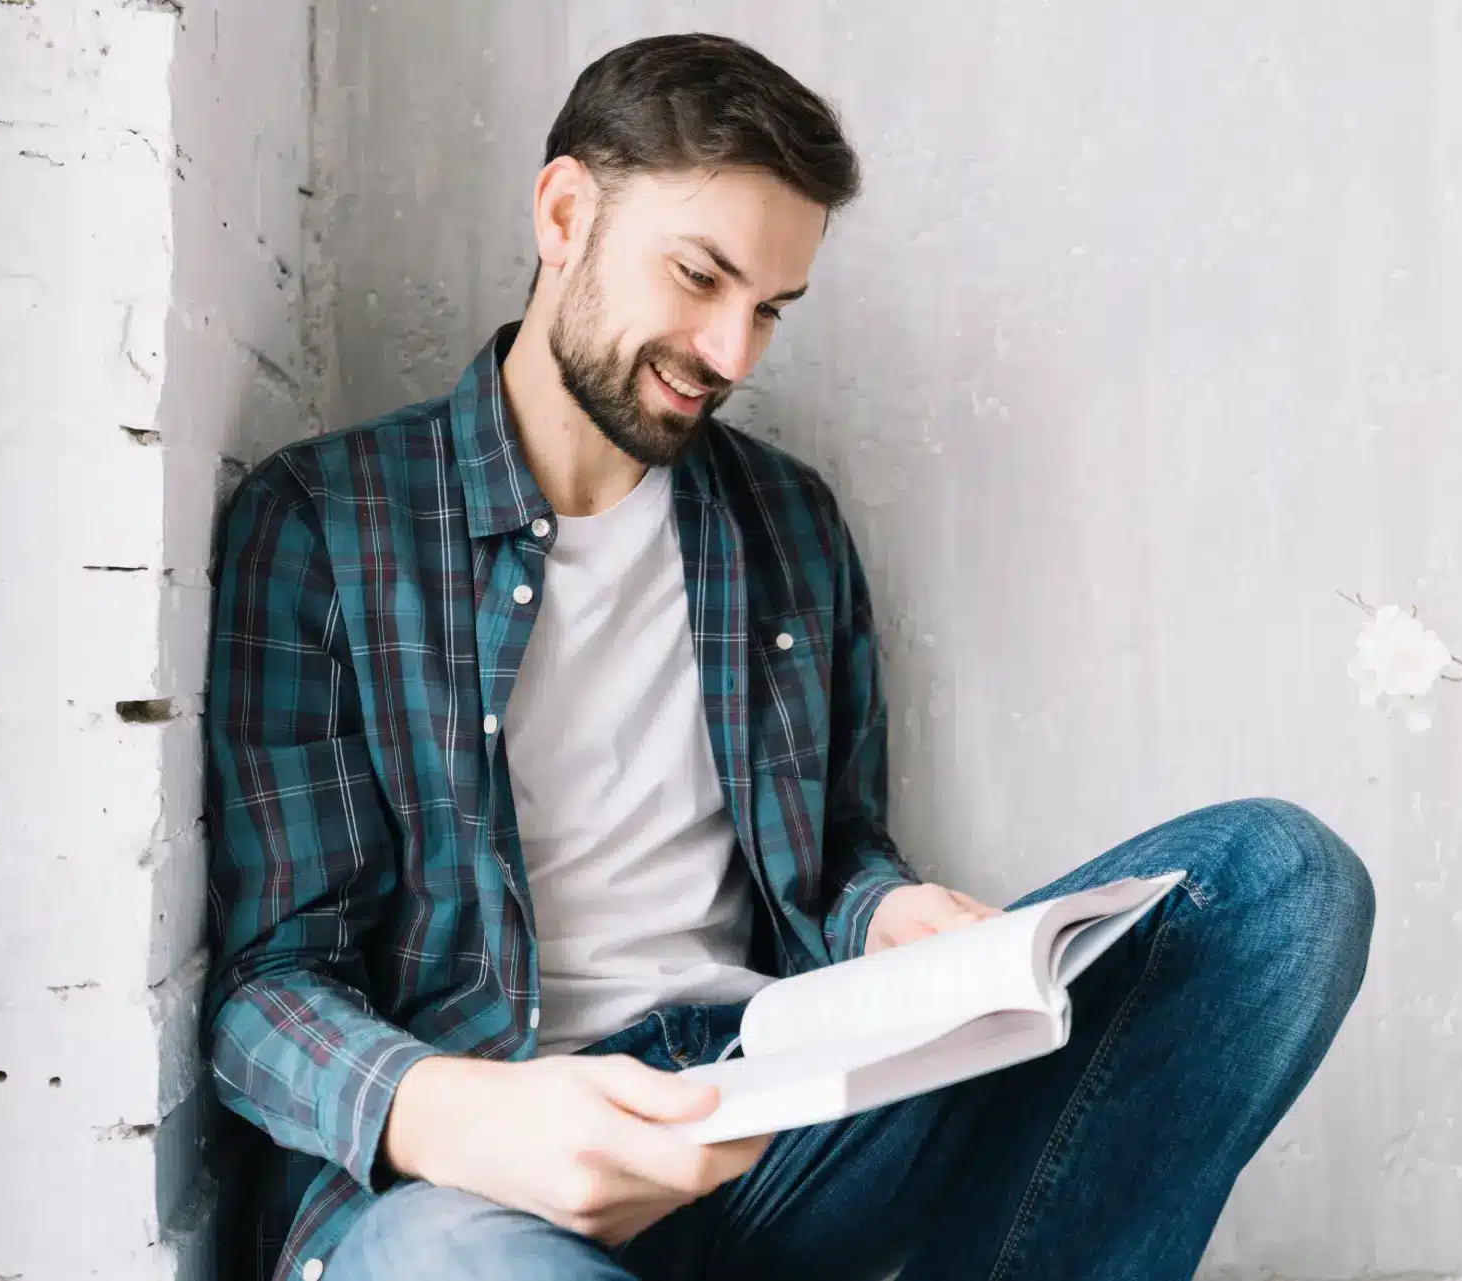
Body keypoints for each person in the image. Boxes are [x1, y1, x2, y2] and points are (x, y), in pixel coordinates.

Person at [202, 31, 1375, 1281]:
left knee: (1282, 880)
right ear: (564, 214)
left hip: (773, 1116)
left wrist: (888, 914)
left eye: (767, 310)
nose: (731, 355)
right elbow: (269, 982)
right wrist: (456, 1113)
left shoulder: (788, 522)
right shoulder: (326, 524)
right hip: (494, 1171)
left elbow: (832, 855)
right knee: (448, 1264)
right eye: (699, 277)